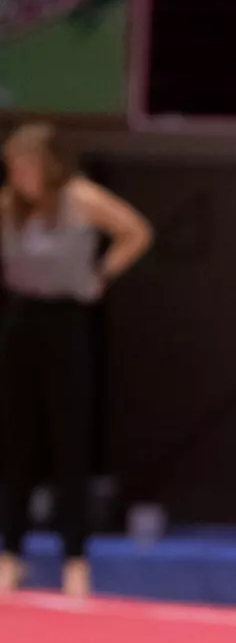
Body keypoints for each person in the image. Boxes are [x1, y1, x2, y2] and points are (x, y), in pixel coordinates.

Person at [0, 123, 153, 597]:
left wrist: (102, 272)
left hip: (68, 320)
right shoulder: (9, 205)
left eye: (25, 166)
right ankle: (10, 554)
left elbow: (136, 231)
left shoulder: (80, 198)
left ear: (47, 164)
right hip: (22, 317)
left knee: (70, 444)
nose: (19, 176)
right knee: (15, 444)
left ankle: (75, 559)